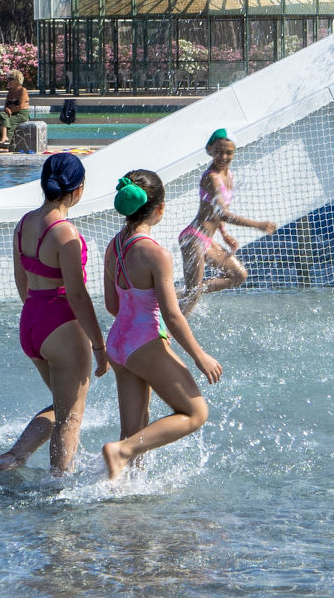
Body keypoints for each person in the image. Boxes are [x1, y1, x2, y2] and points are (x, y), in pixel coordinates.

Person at [100, 169, 221, 483]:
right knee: (196, 414)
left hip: (117, 345)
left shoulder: (114, 246)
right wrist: (200, 356)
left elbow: (113, 306)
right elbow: (172, 315)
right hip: (145, 341)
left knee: (134, 432)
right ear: (159, 209)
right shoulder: (157, 254)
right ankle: (120, 453)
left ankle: (124, 497)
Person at [0, 151, 106, 475]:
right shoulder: (66, 233)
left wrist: (36, 317)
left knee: (62, 405)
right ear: (78, 190)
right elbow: (78, 295)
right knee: (71, 416)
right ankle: (60, 491)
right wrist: (99, 345)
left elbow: (21, 280)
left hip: (31, 321)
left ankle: (12, 457)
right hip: (62, 326)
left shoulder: (24, 223)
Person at [178, 129, 276, 304]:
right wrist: (258, 225)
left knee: (238, 275)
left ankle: (173, 294)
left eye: (228, 152)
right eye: (218, 152)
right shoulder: (212, 178)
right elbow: (223, 213)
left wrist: (224, 234)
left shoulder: (228, 175)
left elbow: (216, 212)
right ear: (210, 151)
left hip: (207, 240)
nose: (223, 156)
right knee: (193, 294)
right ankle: (170, 327)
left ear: (234, 152)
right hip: (194, 238)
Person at [0, 70, 30, 151]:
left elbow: (21, 106)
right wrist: (7, 109)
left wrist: (10, 110)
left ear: (17, 80)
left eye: (10, 79)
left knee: (9, 121)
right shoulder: (10, 91)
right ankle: (4, 138)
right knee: (2, 116)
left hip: (21, 114)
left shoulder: (22, 90)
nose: (8, 81)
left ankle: (5, 145)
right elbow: (6, 105)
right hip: (11, 112)